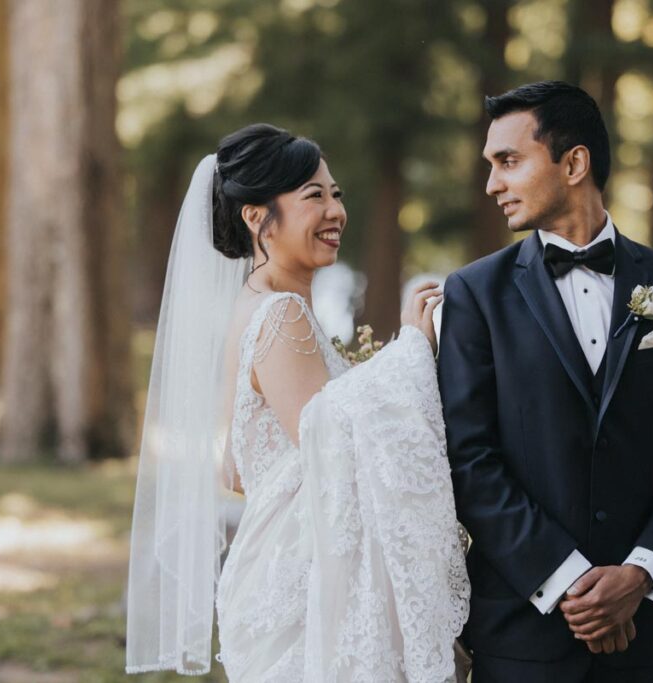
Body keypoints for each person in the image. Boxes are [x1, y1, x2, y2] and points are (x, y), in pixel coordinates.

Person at [125, 124, 469, 682]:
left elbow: (236, 469)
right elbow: (331, 444)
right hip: (302, 587)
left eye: (337, 194)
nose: (335, 211)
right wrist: (411, 351)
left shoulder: (257, 306)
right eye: (314, 196)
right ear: (257, 217)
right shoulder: (280, 316)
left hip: (277, 570)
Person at [438, 81, 653, 682]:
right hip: (523, 636)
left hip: (647, 636)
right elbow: (469, 461)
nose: (492, 184)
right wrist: (570, 579)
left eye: (508, 162)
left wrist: (640, 574)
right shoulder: (473, 295)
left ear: (574, 162)